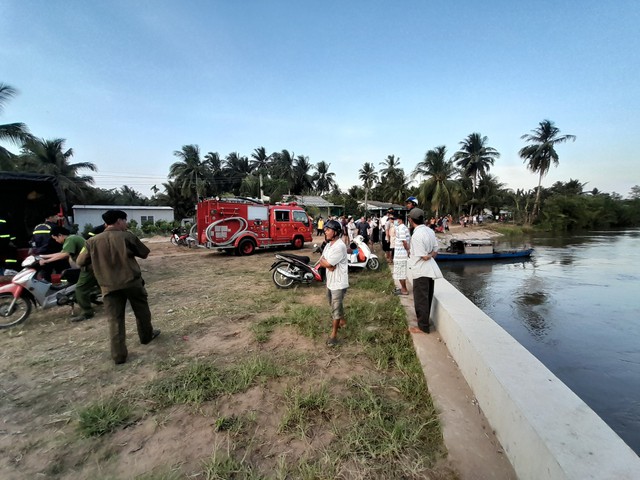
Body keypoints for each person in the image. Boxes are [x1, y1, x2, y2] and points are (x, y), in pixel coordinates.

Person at [77, 209, 160, 365]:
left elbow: (80, 262)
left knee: (115, 319)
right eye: (125, 220)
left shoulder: (91, 242)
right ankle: (146, 336)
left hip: (108, 286)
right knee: (141, 310)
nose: (126, 224)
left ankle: (119, 355)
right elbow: (144, 253)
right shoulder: (127, 236)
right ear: (119, 221)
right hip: (131, 282)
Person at [40, 226, 100, 322]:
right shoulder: (72, 238)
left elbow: (65, 255)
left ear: (60, 235)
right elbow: (61, 253)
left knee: (80, 289)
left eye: (55, 238)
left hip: (89, 267)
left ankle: (87, 313)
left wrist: (46, 261)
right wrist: (43, 256)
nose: (56, 241)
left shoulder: (70, 239)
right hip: (91, 265)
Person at [407, 208, 442, 334]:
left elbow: (424, 256)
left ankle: (423, 327)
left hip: (421, 270)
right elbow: (435, 251)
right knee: (427, 297)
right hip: (430, 269)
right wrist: (430, 254)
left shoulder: (416, 235)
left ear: (410, 220)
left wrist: (428, 255)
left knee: (421, 299)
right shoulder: (429, 231)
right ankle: (424, 321)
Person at [318, 219, 348, 347]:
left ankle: (334, 335)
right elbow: (321, 260)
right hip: (330, 281)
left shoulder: (339, 246)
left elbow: (329, 263)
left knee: (335, 307)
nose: (325, 231)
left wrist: (328, 264)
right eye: (325, 229)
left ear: (335, 232)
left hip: (338, 283)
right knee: (332, 302)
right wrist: (328, 265)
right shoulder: (329, 245)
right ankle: (342, 320)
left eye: (328, 229)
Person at [30, 212, 69, 281]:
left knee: (46, 273)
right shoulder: (54, 227)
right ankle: (64, 285)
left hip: (41, 253)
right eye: (56, 217)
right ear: (50, 217)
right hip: (54, 253)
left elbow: (33, 241)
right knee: (63, 270)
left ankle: (48, 287)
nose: (57, 218)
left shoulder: (37, 227)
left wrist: (36, 250)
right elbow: (63, 237)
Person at [392, 216, 410, 296]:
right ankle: (403, 288)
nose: (394, 221)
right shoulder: (400, 228)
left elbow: (404, 242)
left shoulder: (402, 228)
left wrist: (407, 250)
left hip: (401, 255)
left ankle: (404, 290)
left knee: (401, 273)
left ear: (400, 220)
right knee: (400, 272)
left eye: (395, 219)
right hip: (399, 254)